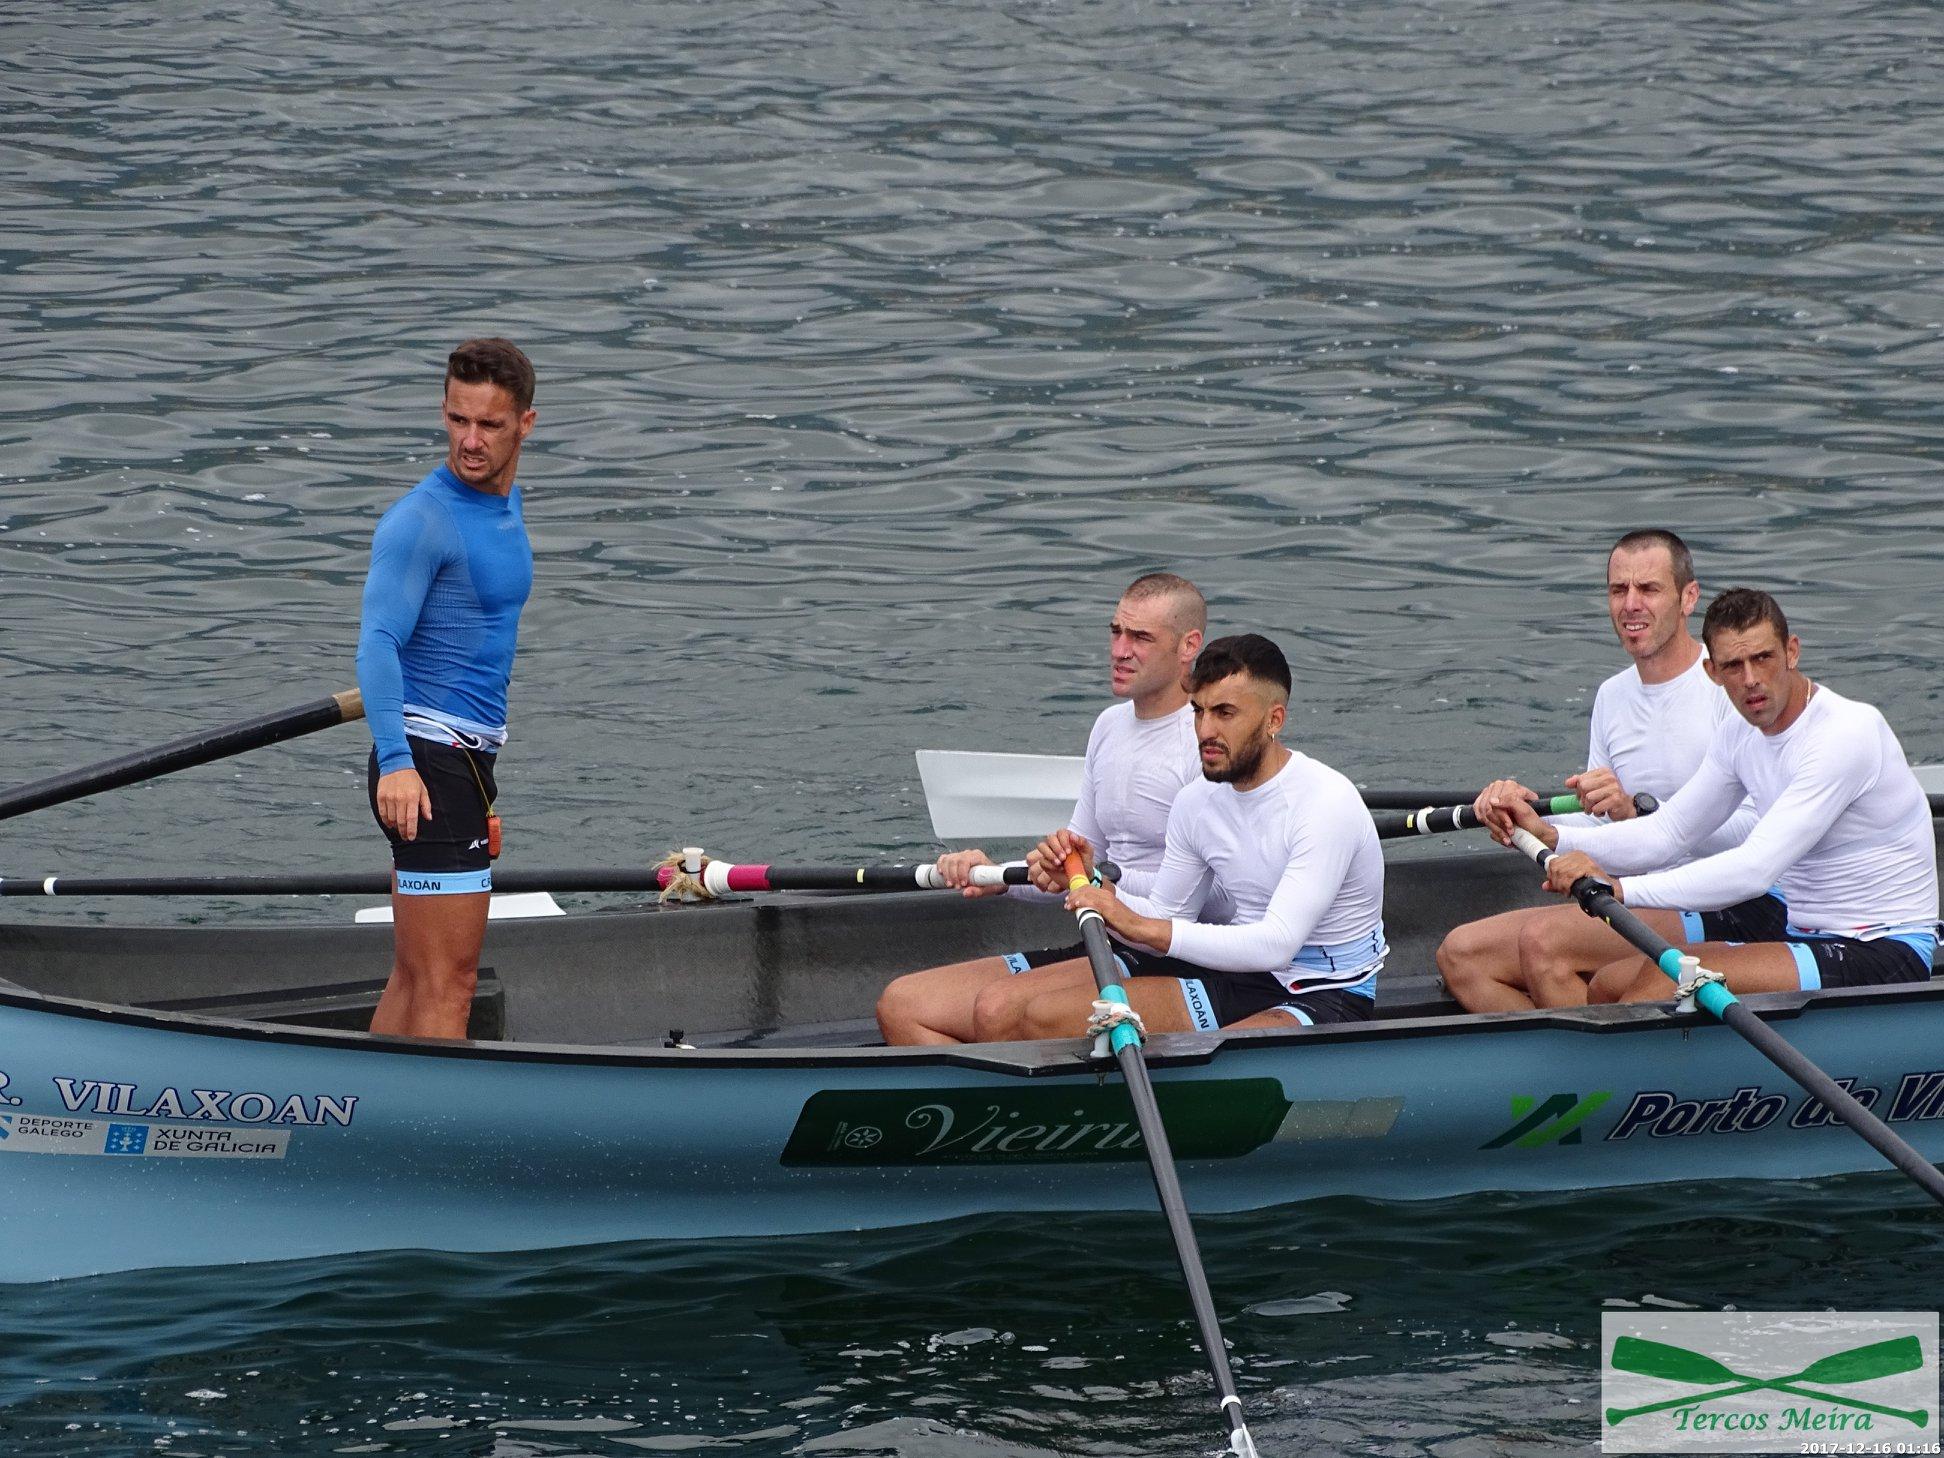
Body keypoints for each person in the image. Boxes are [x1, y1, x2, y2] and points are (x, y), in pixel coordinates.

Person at [1492, 588, 1937, 1002]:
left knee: (1662, 980)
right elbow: (1668, 832)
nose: (1750, 680)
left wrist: (1620, 889)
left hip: (1883, 945)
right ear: (1712, 672)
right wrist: (1552, 836)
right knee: (1609, 985)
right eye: (1732, 666)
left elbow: (1754, 869)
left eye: (1763, 658)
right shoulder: (1738, 735)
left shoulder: (1845, 733)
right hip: (1802, 930)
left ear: (1792, 652)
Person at [971, 633, 1387, 1042]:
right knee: (1039, 1016)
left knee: (1218, 1068)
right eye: (1198, 711)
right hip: (1241, 972)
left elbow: (1275, 944)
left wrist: (1131, 919)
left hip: (1327, 991)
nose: (1205, 730)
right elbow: (1167, 912)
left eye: (1225, 713)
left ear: (1274, 720)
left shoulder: (1325, 803)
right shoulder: (1196, 803)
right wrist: (1090, 882)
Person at [1437, 529, 1764, 1010]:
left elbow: (1760, 830)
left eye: (1649, 589)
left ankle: (1601, 1076)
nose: (1631, 604)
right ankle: (1562, 1076)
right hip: (1629, 893)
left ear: (1688, 598)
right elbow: (1599, 821)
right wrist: (1528, 820)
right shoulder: (1613, 695)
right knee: (1461, 954)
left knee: (1544, 944)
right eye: (1618, 590)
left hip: (1721, 900)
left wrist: (1640, 811)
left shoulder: (1730, 687)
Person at [875, 573, 1205, 1044]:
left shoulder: (1206, 741)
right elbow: (1071, 863)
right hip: (1106, 935)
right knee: (902, 1005)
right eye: (1115, 632)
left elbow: (1200, 899)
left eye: (1140, 638)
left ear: (1189, 645)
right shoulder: (1110, 727)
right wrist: (996, 876)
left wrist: (1095, 881)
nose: (1119, 650)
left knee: (996, 1011)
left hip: (1169, 950)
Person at [356, 339, 537, 1039]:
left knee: (415, 977)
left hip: (463, 761)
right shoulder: (421, 520)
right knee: (450, 986)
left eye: (489, 425)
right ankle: (433, 1145)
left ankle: (368, 1123)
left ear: (526, 423)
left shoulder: (501, 504)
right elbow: (377, 644)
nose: (469, 440)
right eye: (457, 420)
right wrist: (396, 762)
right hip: (427, 762)